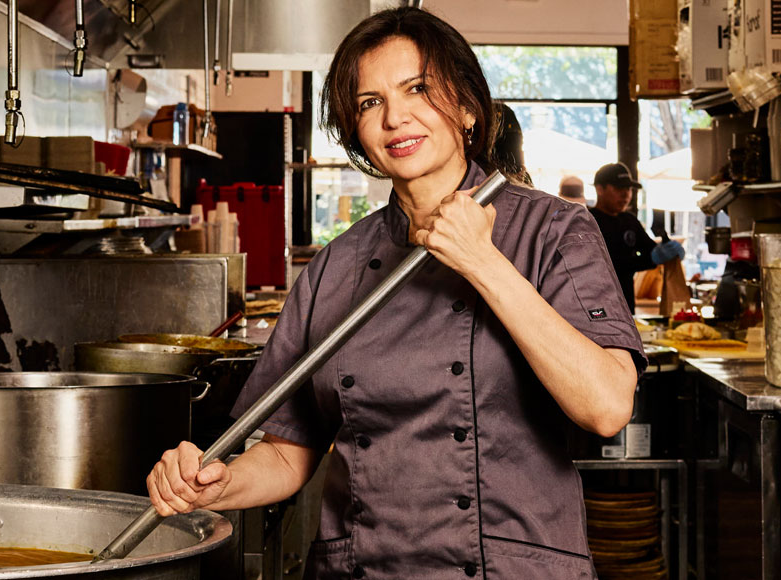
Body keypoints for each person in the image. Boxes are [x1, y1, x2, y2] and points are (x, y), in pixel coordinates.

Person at [146, 8, 646, 579]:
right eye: (369, 102)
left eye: (418, 89)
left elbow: (607, 407)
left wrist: (484, 263)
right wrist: (218, 484)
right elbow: (290, 450)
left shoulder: (552, 231)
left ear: (465, 107)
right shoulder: (336, 267)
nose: (395, 118)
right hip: (364, 568)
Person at [589, 162, 685, 313]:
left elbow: (650, 249)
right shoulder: (588, 221)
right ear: (599, 189)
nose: (625, 194)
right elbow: (610, 263)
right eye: (618, 188)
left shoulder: (629, 220)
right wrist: (651, 259)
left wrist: (669, 251)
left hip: (626, 303)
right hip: (596, 303)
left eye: (628, 189)